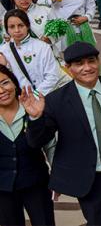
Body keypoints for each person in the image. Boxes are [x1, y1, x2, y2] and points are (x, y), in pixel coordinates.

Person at [25, 42, 101, 226]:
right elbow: (36, 141)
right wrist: (36, 118)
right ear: (68, 68)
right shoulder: (57, 100)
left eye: (91, 61)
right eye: (79, 64)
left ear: (98, 62)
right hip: (89, 179)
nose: (87, 68)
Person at [0, 65, 55, 226]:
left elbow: (48, 145)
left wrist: (36, 118)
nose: (2, 90)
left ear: (14, 83)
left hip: (36, 184)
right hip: (3, 189)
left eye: (5, 83)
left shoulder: (32, 107)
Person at [0, 9, 60, 95]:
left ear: (27, 26)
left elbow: (53, 76)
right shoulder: (3, 51)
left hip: (45, 97)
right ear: (7, 29)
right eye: (12, 27)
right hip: (19, 101)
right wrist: (5, 67)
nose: (17, 30)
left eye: (21, 25)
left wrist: (35, 96)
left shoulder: (42, 47)